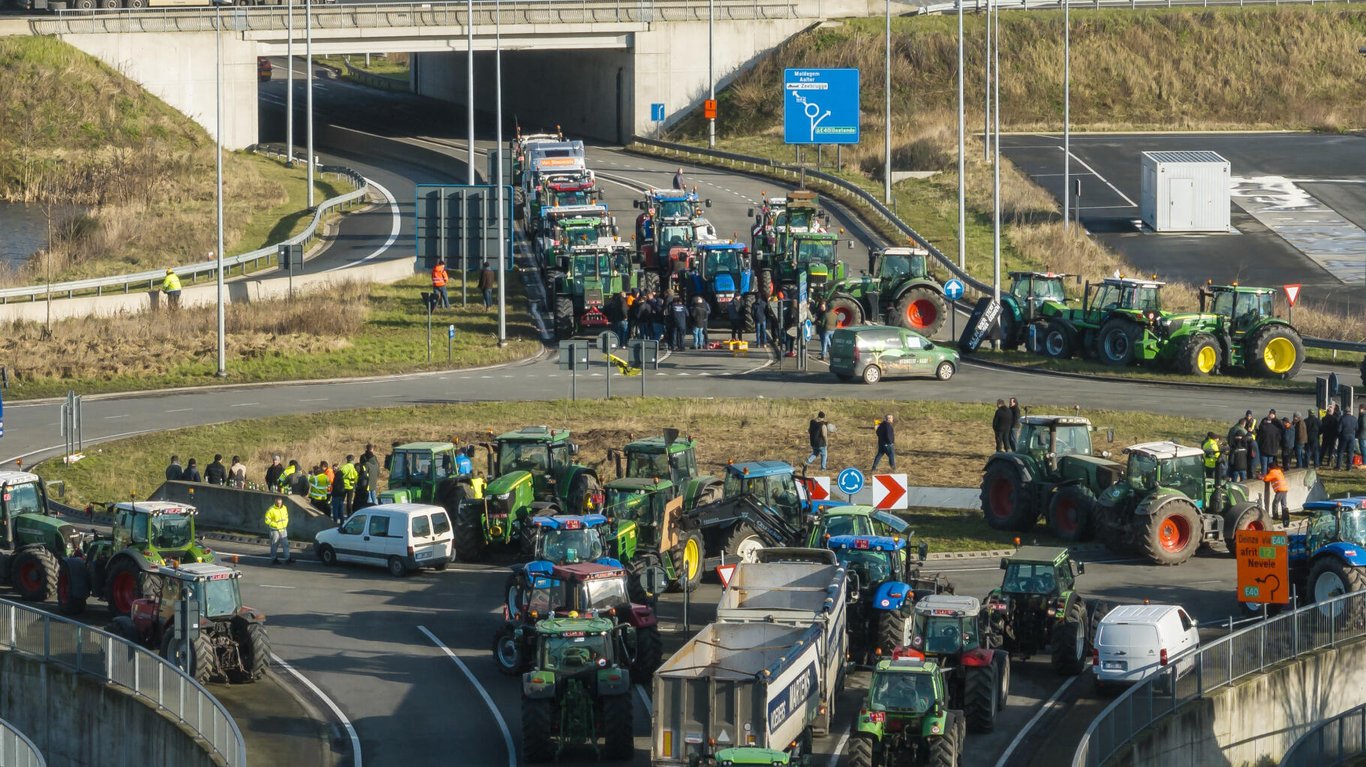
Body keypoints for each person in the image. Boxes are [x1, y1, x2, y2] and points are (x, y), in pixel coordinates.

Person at [265, 496, 293, 565]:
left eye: (280, 503)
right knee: (274, 545)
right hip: (275, 530)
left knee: (285, 544)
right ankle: (273, 559)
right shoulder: (271, 509)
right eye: (278, 503)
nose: (279, 504)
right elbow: (266, 519)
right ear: (275, 502)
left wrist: (286, 523)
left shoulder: (284, 508)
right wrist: (275, 525)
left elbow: (286, 517)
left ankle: (287, 558)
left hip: (283, 529)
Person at [1256, 410, 1282, 476]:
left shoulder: (1263, 428)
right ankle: (1270, 476)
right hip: (1272, 450)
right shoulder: (1276, 429)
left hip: (1264, 449)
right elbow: (1281, 428)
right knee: (1270, 465)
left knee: (1264, 466)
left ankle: (1264, 477)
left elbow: (1259, 434)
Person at [1264, 459, 1290, 525]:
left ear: (1269, 467)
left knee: (1275, 503)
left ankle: (1275, 516)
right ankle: (1286, 517)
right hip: (1285, 489)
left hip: (1280, 490)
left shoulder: (1272, 472)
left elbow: (1266, 479)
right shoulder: (1279, 470)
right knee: (1284, 505)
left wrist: (1260, 476)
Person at [1338, 406, 1359, 471]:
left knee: (1341, 451)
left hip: (1344, 436)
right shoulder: (1354, 418)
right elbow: (1357, 428)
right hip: (1352, 437)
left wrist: (1339, 435)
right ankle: (1349, 467)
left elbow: (1339, 429)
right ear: (1350, 412)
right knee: (1350, 452)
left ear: (1344, 412)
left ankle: (1338, 467)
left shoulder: (1342, 418)